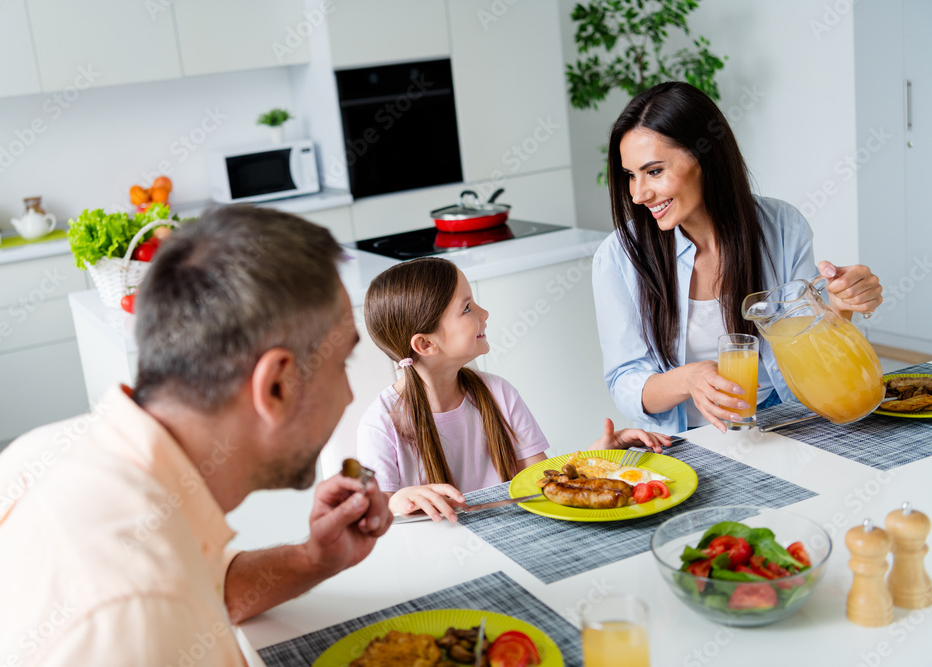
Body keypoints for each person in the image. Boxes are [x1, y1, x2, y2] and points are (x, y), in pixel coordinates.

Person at [0, 206, 392, 666]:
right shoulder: (136, 615)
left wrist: (315, 558)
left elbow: (205, 585)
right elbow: (155, 602)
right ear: (276, 385)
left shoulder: (45, 451)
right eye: (342, 364)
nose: (350, 395)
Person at [592, 82, 883, 434]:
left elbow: (809, 347)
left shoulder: (782, 227)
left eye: (654, 171)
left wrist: (840, 307)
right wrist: (690, 378)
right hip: (688, 440)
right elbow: (626, 383)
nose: (638, 194)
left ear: (705, 156)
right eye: (630, 176)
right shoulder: (618, 257)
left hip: (787, 420)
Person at [357, 257, 671, 522]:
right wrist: (396, 502)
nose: (484, 313)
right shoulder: (380, 424)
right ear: (426, 344)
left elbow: (540, 482)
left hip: (513, 533)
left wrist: (597, 458)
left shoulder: (498, 393)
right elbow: (374, 517)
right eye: (467, 308)